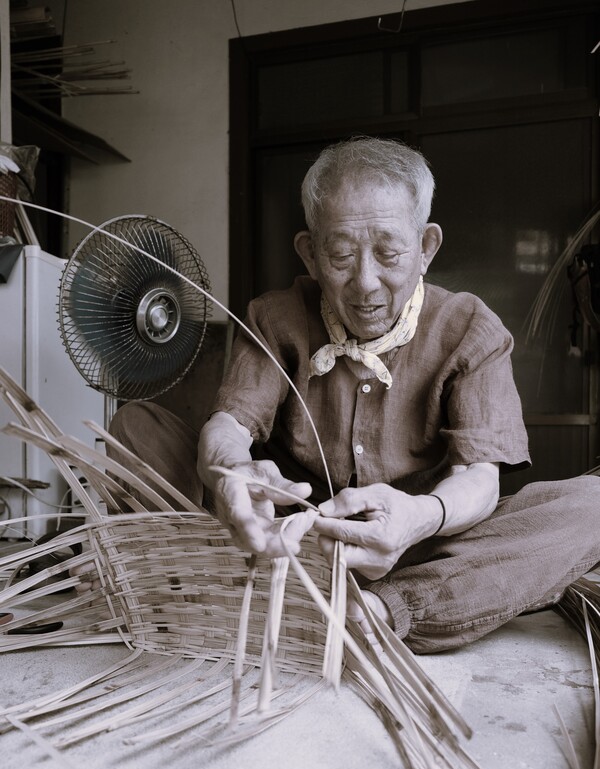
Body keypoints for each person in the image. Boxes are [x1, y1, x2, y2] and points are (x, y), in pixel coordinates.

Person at [109, 136, 600, 654]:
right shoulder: (275, 317)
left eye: (389, 253)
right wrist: (230, 471)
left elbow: (478, 477)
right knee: (136, 426)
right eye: (340, 255)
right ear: (311, 253)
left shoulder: (469, 327)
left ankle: (382, 611)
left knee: (591, 504)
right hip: (286, 542)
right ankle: (259, 582)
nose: (366, 283)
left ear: (427, 247)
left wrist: (422, 516)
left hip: (417, 548)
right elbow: (230, 424)